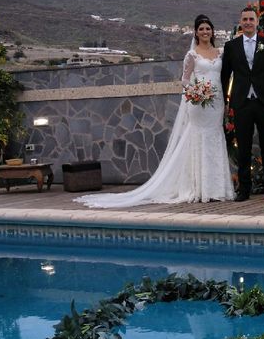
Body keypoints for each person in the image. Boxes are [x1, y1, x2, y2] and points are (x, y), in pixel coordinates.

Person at [75, 14, 234, 207]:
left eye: (208, 28)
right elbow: (184, 80)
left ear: (212, 31)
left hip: (216, 104)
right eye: (201, 29)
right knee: (198, 139)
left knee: (215, 138)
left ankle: (217, 188)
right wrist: (195, 92)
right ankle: (200, 187)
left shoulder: (220, 53)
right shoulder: (192, 55)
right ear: (195, 32)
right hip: (199, 105)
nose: (205, 32)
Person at [221, 7, 264, 202]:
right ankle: (244, 190)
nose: (248, 22)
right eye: (245, 19)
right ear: (241, 22)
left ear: (257, 22)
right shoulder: (231, 46)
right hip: (242, 104)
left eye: (251, 19)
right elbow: (224, 76)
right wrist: (225, 102)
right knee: (243, 149)